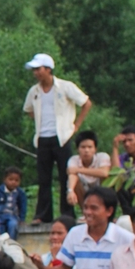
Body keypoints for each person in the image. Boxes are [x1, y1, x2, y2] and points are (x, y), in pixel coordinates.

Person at [22, 54, 92, 225]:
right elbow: (28, 110)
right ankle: (43, 215)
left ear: (48, 69)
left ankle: (67, 214)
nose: (36, 73)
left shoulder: (65, 87)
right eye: (34, 70)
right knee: (44, 178)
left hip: (62, 136)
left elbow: (86, 103)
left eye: (38, 69)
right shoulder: (34, 91)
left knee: (65, 176)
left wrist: (76, 125)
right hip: (42, 137)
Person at [64, 131, 111, 218]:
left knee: (105, 179)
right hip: (84, 190)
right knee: (74, 180)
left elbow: (104, 173)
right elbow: (72, 174)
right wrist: (70, 191)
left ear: (95, 149)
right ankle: (85, 212)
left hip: (100, 188)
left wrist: (78, 169)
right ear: (78, 149)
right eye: (83, 147)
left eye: (90, 147)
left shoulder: (103, 157)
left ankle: (103, 210)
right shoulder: (73, 160)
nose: (86, 150)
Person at [0, 167, 26, 238]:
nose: (13, 182)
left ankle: (11, 243)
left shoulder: (20, 193)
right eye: (11, 179)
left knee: (13, 225)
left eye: (17, 180)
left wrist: (22, 219)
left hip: (12, 216)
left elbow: (23, 206)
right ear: (4, 179)